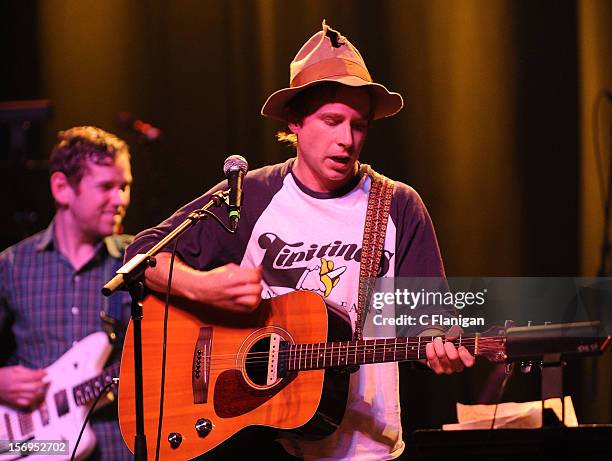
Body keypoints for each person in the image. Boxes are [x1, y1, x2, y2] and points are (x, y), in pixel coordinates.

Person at [125, 21, 474, 460]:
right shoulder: (251, 195)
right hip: (260, 440)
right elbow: (140, 257)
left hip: (366, 447)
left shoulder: (398, 205)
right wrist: (205, 286)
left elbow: (430, 320)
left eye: (359, 125)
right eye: (331, 121)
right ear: (295, 122)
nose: (347, 140)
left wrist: (440, 343)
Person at [0, 126, 134, 460]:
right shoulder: (12, 265)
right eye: (106, 186)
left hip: (116, 443)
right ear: (62, 188)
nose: (119, 200)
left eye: (125, 186)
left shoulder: (138, 261)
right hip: (29, 445)